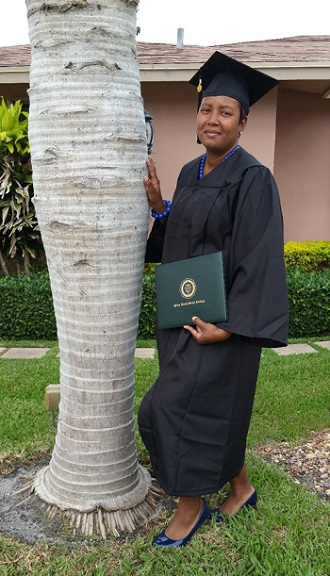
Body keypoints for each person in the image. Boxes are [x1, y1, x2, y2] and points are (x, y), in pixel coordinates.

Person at [138, 51, 289, 548]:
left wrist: (232, 324)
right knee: (208, 413)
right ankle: (241, 488)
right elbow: (180, 245)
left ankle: (190, 506)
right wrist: (161, 208)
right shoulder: (188, 172)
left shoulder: (253, 179)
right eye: (207, 109)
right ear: (196, 114)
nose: (213, 119)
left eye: (226, 112)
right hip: (185, 318)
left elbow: (260, 257)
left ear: (243, 122)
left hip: (225, 327)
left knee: (168, 409)